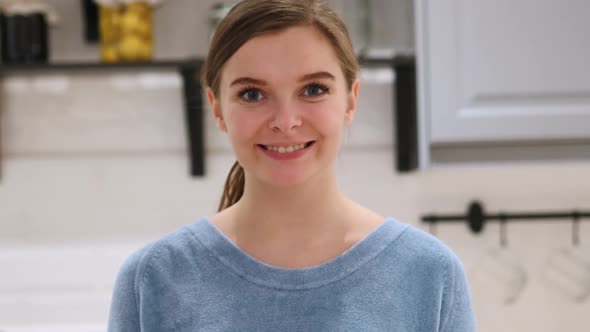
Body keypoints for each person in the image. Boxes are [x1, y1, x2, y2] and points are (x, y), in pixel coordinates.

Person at [108, 0, 476, 330]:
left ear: (351, 100)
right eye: (252, 94)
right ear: (217, 108)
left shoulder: (428, 274)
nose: (286, 121)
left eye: (313, 89)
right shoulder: (154, 278)